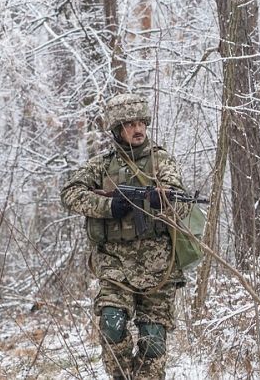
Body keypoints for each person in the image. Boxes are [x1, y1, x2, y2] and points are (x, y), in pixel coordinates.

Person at [60, 93, 191, 380]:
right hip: (114, 265)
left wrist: (163, 201)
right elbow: (69, 193)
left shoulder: (161, 161)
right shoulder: (101, 165)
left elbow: (182, 201)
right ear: (118, 129)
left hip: (158, 268)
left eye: (141, 122)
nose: (137, 129)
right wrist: (108, 206)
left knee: (153, 341)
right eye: (129, 124)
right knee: (111, 322)